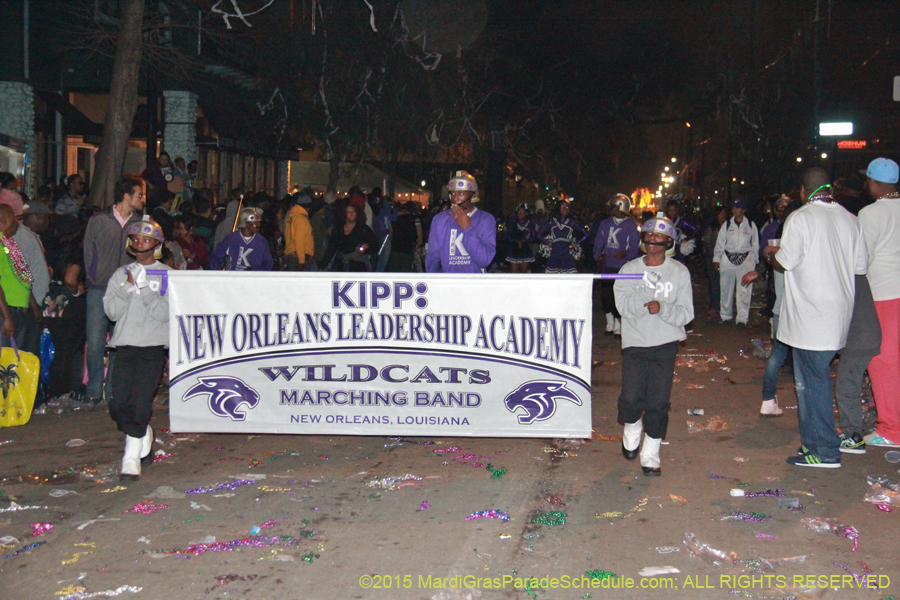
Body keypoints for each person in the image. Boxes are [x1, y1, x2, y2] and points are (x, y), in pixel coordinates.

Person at [763, 167, 867, 468]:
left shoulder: (802, 218)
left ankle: (823, 450)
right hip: (838, 314)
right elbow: (860, 267)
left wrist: (771, 256)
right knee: (815, 380)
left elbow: (785, 261)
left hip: (811, 316)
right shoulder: (850, 219)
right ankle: (820, 446)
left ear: (803, 191)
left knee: (812, 384)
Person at [614, 211, 694, 476]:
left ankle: (651, 452)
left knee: (658, 402)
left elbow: (686, 312)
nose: (653, 241)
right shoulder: (629, 270)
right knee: (632, 397)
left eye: (659, 236)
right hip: (636, 342)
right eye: (648, 236)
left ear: (669, 241)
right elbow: (623, 306)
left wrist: (663, 308)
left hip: (665, 343)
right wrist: (642, 302)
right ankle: (633, 426)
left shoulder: (679, 272)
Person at [103, 218, 170, 481]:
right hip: (124, 346)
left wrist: (144, 288)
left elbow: (165, 313)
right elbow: (111, 311)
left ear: (156, 244)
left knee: (140, 403)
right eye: (136, 238)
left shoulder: (167, 275)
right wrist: (128, 287)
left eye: (146, 238)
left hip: (152, 348)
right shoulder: (120, 274)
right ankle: (144, 434)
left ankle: (130, 458)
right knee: (118, 403)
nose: (140, 242)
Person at [83, 178, 143, 406]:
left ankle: (113, 391)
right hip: (99, 290)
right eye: (139, 195)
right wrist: (93, 278)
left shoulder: (138, 224)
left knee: (120, 343)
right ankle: (93, 391)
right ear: (126, 196)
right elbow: (88, 251)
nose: (141, 199)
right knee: (96, 342)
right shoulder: (99, 221)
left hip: (126, 292)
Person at [744, 198, 802, 417]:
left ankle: (768, 400)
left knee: (777, 356)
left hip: (781, 309)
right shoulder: (800, 248)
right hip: (798, 311)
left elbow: (770, 261)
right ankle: (806, 405)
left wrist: (764, 261)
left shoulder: (778, 249)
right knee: (803, 361)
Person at [858, 157, 900, 448]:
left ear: (874, 183)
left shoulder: (871, 213)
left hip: (885, 294)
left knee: (882, 360)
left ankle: (891, 429)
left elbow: (862, 259)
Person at [43, 215, 87, 402]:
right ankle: (61, 392)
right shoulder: (76, 251)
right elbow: (71, 278)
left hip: (51, 300)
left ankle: (55, 391)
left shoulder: (52, 248)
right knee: (66, 352)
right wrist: (77, 291)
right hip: (69, 304)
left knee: (60, 349)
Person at [425, 172, 496, 273]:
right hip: (448, 284)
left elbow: (484, 260)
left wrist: (467, 228)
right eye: (453, 193)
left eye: (461, 193)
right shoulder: (440, 220)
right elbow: (433, 258)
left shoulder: (486, 220)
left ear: (473, 195)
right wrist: (433, 283)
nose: (455, 198)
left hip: (474, 285)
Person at [594, 194, 640, 337]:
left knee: (619, 295)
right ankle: (610, 322)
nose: (610, 210)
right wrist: (598, 256)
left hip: (622, 266)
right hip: (608, 265)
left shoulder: (631, 226)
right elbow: (599, 242)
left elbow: (634, 247)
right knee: (606, 295)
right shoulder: (605, 224)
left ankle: (619, 324)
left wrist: (625, 254)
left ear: (621, 207)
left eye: (613, 207)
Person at [713, 199, 758, 326]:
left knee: (744, 289)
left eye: (738, 208)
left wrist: (753, 260)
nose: (734, 210)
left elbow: (755, 245)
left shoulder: (750, 225)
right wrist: (717, 259)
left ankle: (742, 318)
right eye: (733, 208)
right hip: (728, 258)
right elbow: (720, 244)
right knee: (726, 288)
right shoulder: (727, 225)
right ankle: (726, 316)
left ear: (743, 210)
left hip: (745, 259)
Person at [13, 202, 50, 354]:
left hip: (31, 303)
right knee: (22, 352)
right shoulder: (22, 238)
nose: (48, 223)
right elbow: (21, 274)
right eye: (47, 219)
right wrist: (34, 305)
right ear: (39, 217)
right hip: (26, 306)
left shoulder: (31, 236)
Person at [209, 208, 273, 271]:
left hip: (252, 279)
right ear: (246, 223)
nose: (258, 225)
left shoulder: (261, 242)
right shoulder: (231, 239)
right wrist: (218, 270)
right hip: (232, 278)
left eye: (258, 222)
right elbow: (215, 257)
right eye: (255, 223)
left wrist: (256, 270)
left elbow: (268, 263)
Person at [321, 204, 377, 271]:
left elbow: (375, 245)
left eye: (354, 211)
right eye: (349, 212)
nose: (352, 214)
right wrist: (322, 266)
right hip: (340, 264)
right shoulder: (338, 230)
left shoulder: (364, 229)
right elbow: (331, 249)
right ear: (344, 214)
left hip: (358, 265)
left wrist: (365, 248)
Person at [538, 198, 587, 274]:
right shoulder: (552, 222)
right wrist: (547, 242)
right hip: (554, 254)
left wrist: (576, 243)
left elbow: (586, 234)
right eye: (562, 207)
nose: (565, 209)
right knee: (553, 280)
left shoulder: (571, 222)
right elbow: (538, 234)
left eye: (567, 207)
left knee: (568, 280)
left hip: (566, 254)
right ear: (558, 208)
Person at [702, 206, 727, 319]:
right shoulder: (712, 228)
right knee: (714, 283)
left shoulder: (728, 227)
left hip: (726, 259)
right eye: (720, 213)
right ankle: (714, 306)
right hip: (713, 259)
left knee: (725, 284)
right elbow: (708, 243)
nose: (723, 215)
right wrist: (714, 257)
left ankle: (723, 307)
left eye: (724, 213)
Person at [284, 191, 314, 271]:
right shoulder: (301, 219)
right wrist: (301, 261)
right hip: (298, 256)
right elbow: (299, 240)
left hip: (291, 254)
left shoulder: (291, 217)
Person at [386, 202, 419, 272]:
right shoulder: (411, 220)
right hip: (407, 250)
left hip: (395, 249)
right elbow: (414, 235)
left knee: (394, 271)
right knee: (404, 272)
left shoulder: (394, 219)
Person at [504, 204, 536, 273]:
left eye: (522, 212)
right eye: (518, 211)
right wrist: (517, 241)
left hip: (525, 250)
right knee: (514, 273)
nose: (520, 213)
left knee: (523, 273)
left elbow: (533, 237)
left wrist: (525, 240)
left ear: (526, 213)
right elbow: (509, 236)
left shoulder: (530, 224)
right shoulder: (513, 222)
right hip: (514, 250)